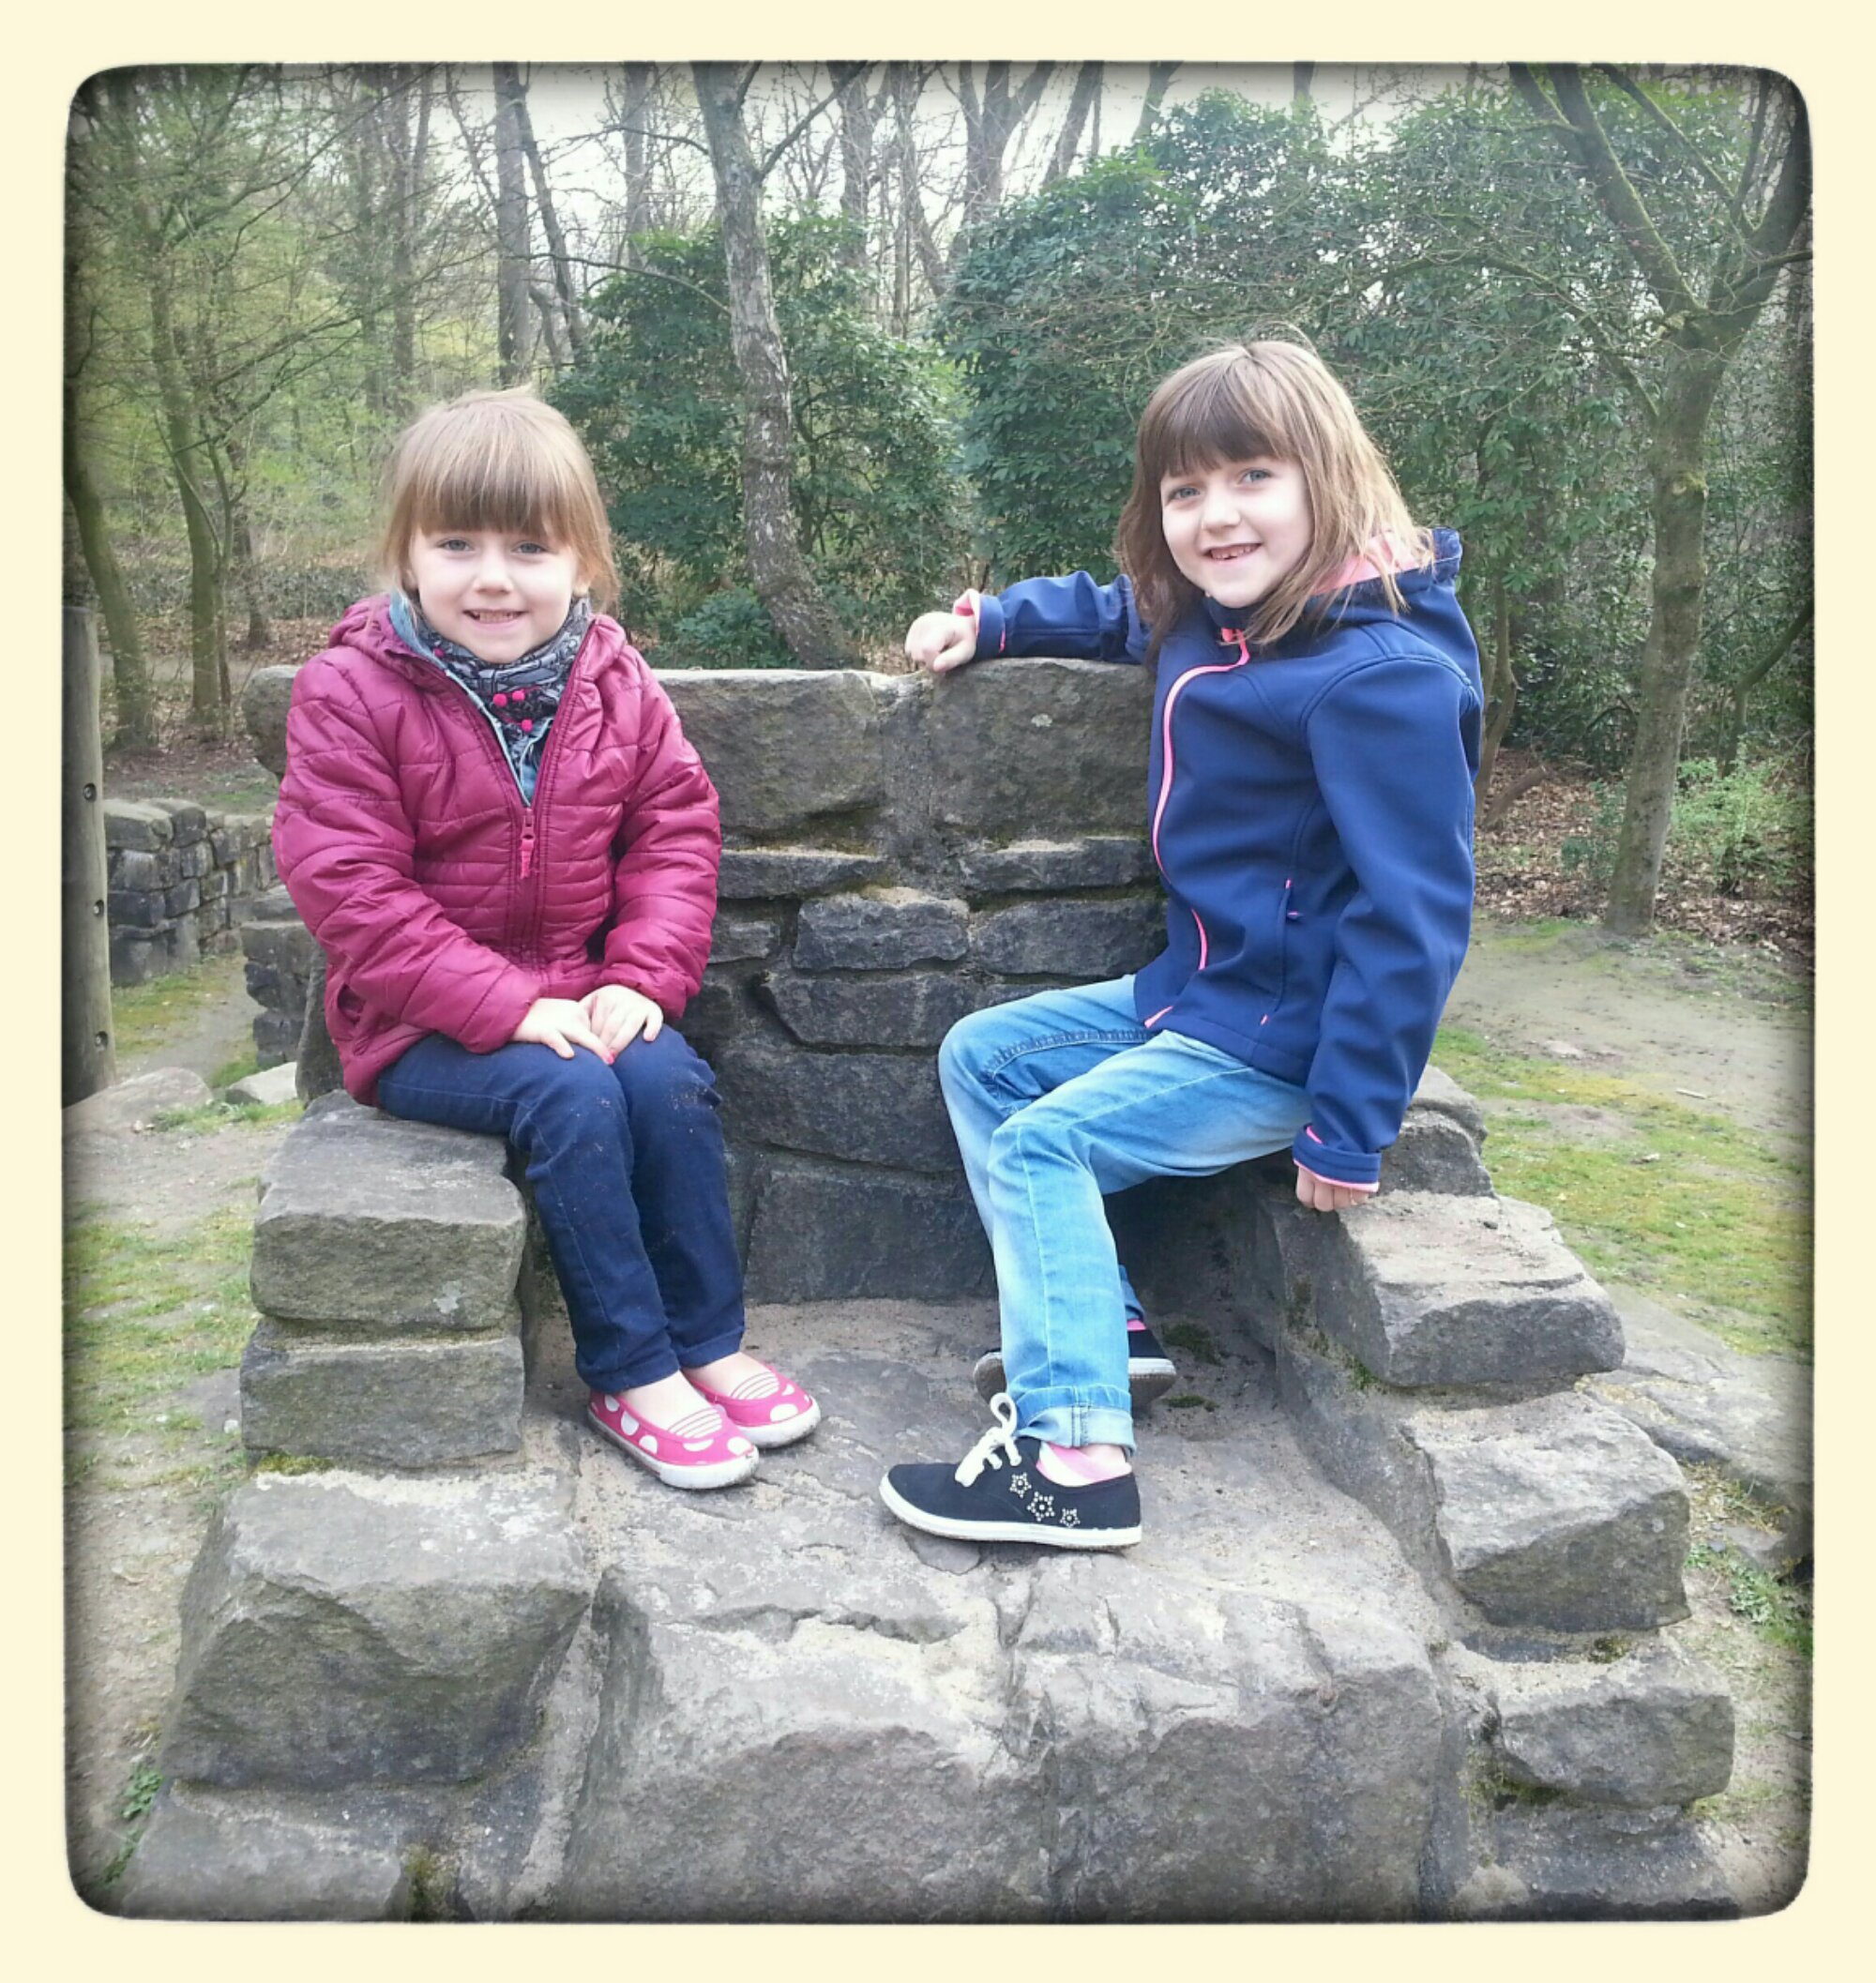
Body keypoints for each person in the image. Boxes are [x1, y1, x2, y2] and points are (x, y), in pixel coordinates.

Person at [879, 341, 1481, 1551]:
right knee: (984, 1056)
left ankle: (1073, 1460)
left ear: (1325, 477)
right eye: (1183, 489)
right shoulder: (1230, 613)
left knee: (1044, 1142)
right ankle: (1102, 1330)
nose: (1215, 516)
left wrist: (1351, 1120)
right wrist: (990, 619)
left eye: (1252, 476)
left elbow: (1414, 914)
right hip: (1200, 993)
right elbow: (1128, 609)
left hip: (1282, 1042)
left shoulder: (1380, 675)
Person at [273, 386, 820, 1491]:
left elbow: (673, 831)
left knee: (665, 1079)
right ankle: (630, 1369)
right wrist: (508, 1005)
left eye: (528, 547)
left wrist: (643, 977)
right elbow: (350, 887)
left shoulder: (613, 681)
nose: (493, 577)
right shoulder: (350, 689)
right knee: (570, 1095)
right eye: (456, 544)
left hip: (582, 991)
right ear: (406, 553)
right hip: (419, 1024)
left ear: (581, 562)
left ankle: (707, 1341)